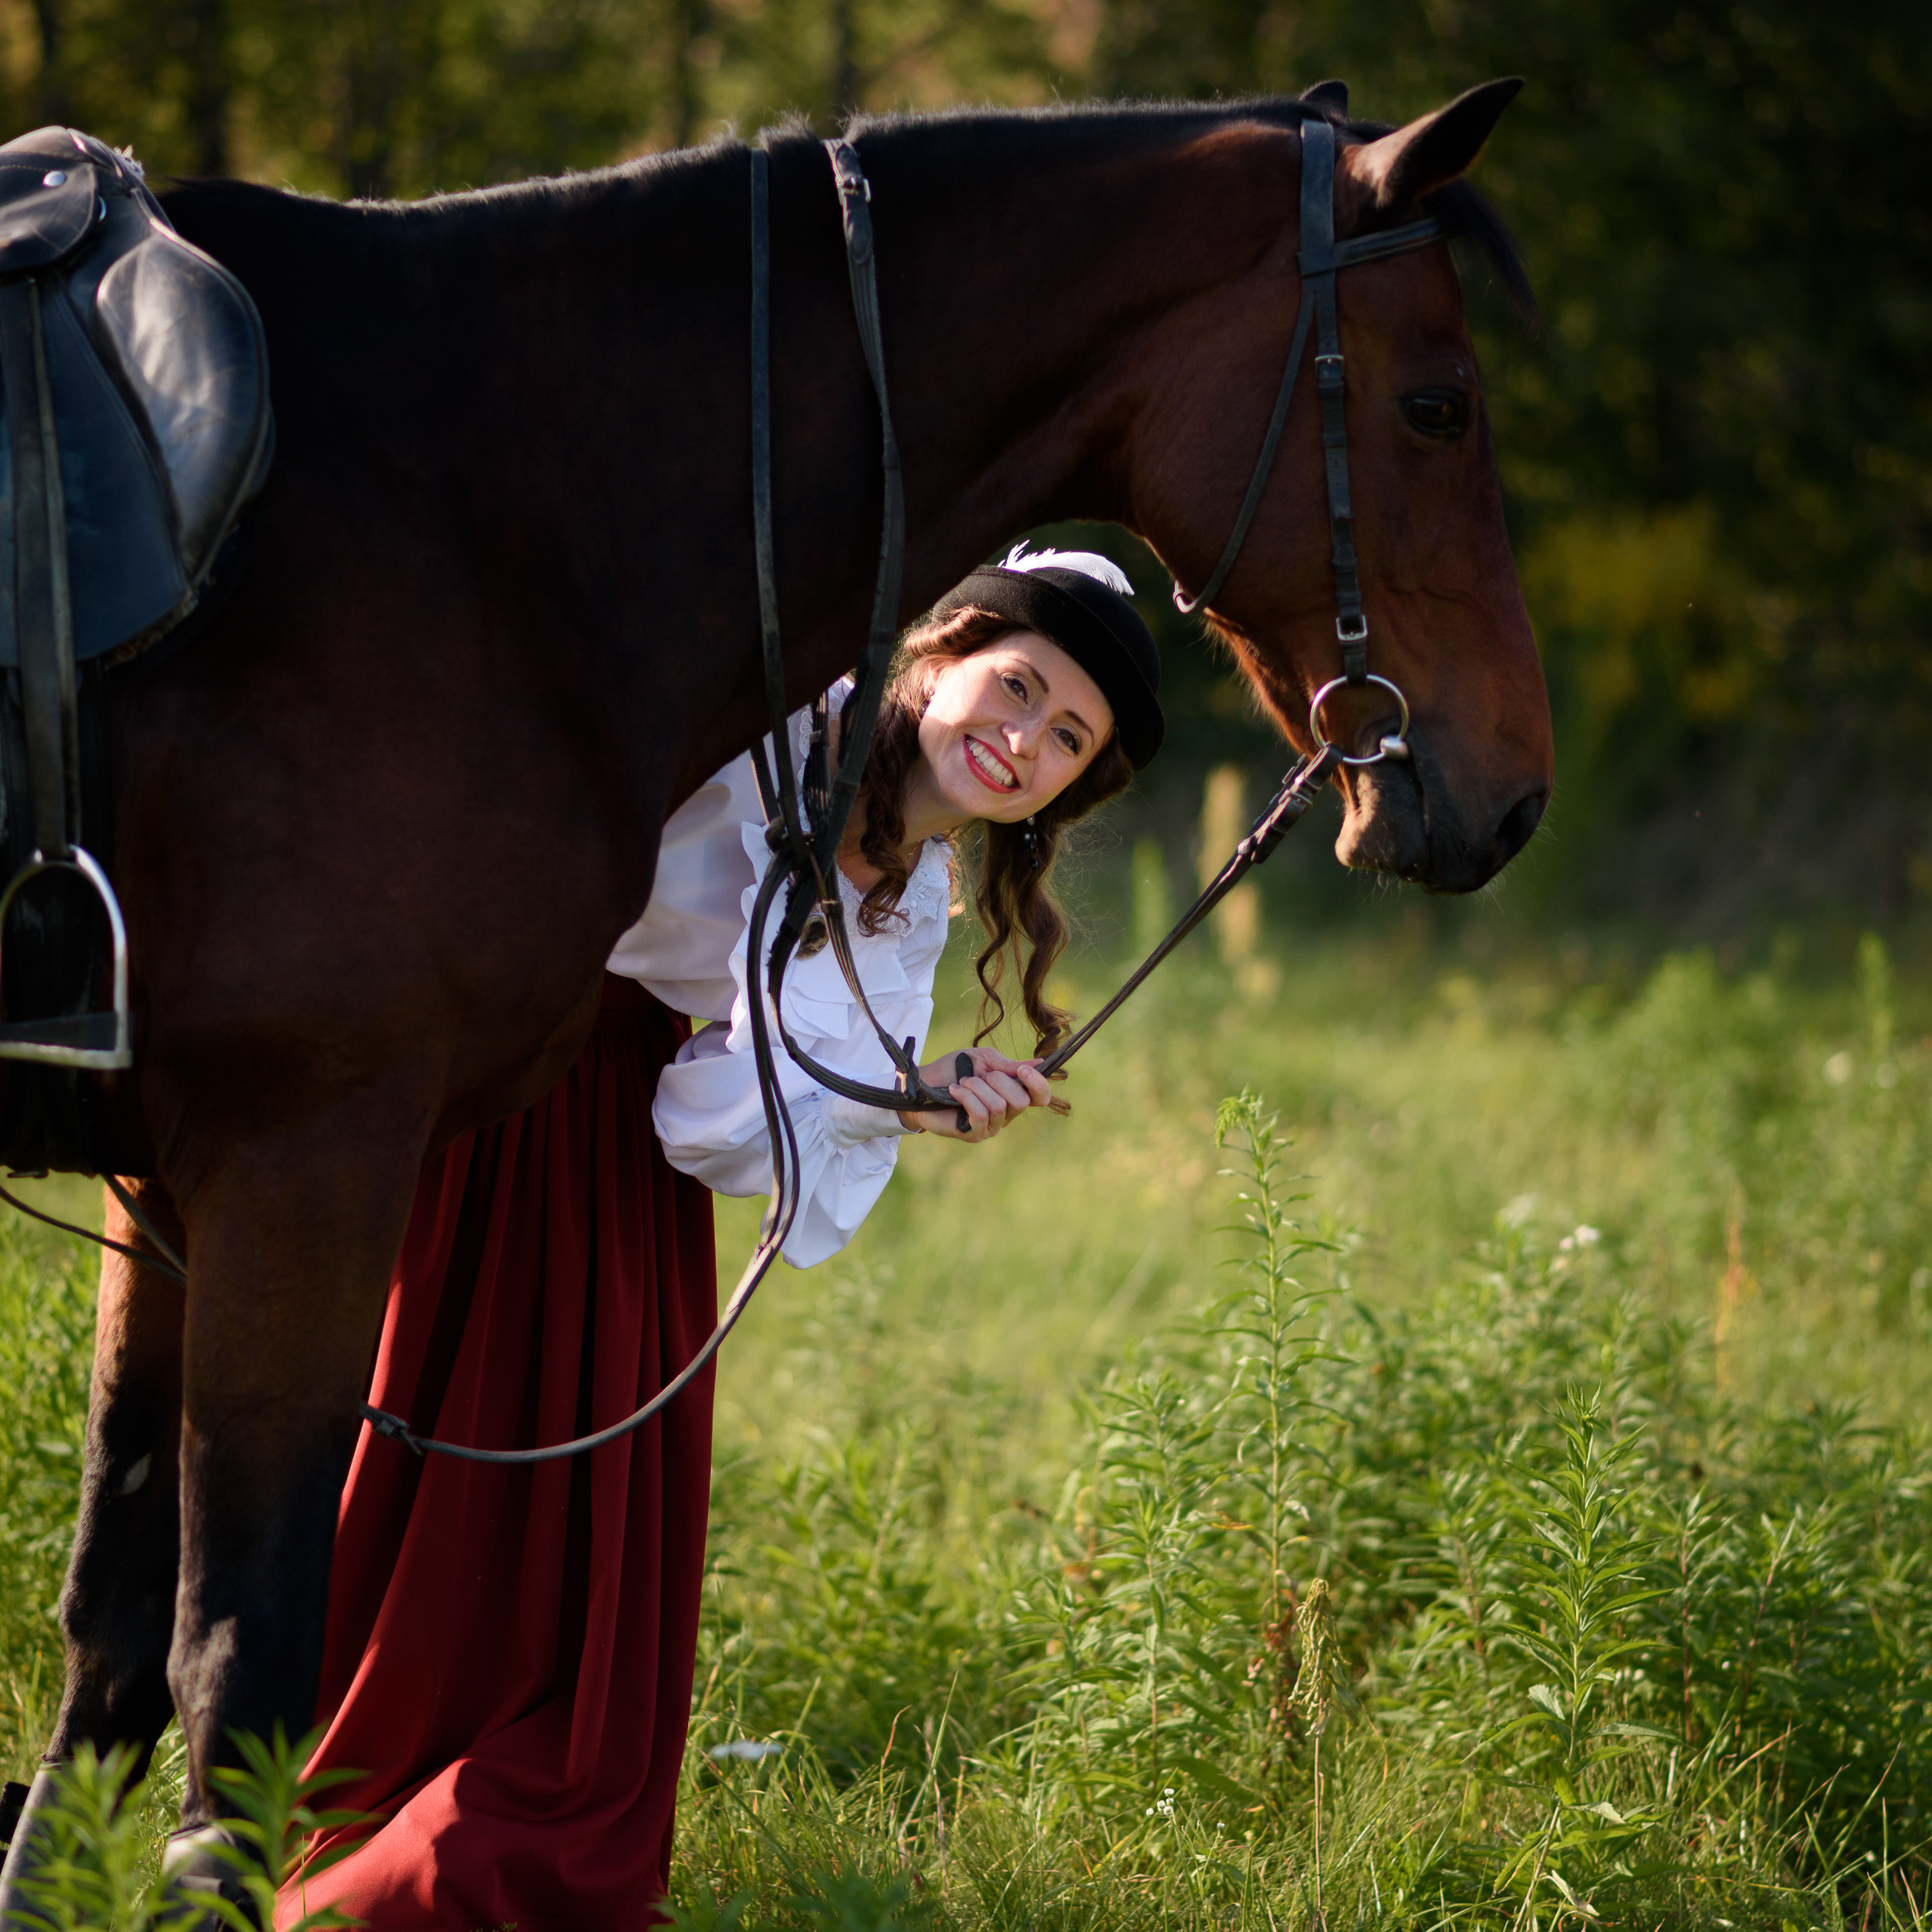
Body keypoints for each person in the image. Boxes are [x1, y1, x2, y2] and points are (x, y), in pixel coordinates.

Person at [281, 546, 1164, 1930]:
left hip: (624, 1173)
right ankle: (347, 1822)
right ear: (938, 653)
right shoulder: (766, 726)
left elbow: (707, 1116)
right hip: (498, 1084)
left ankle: (460, 1855)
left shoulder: (910, 906)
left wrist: (912, 1100)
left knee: (596, 1574)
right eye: (1018, 687)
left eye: (1066, 740)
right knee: (444, 1503)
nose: (1022, 742)